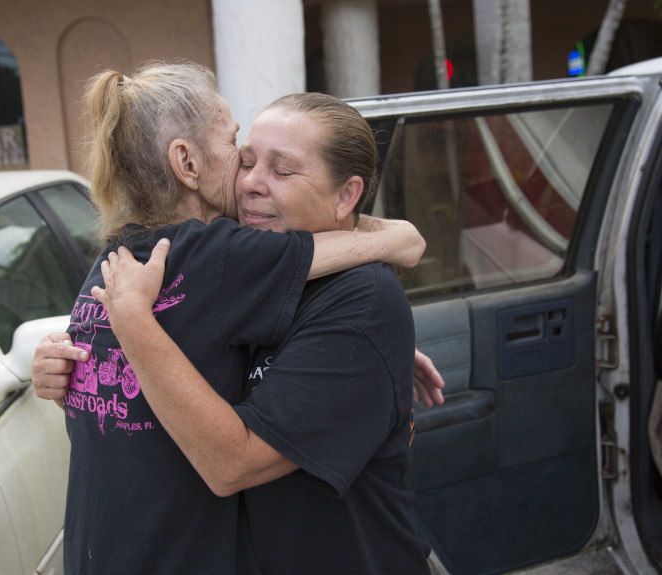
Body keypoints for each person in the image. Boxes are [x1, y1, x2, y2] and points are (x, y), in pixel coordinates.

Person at [43, 61, 429, 574]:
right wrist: (402, 237)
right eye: (241, 156)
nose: (249, 182)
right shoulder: (220, 259)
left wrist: (374, 351)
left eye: (282, 169)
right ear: (186, 165)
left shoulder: (117, 258)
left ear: (346, 195)